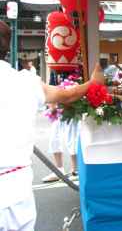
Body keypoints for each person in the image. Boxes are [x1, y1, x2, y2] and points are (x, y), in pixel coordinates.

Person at [0, 20, 104, 231]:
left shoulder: (26, 80)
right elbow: (67, 95)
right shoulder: (25, 81)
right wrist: (93, 82)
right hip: (17, 188)